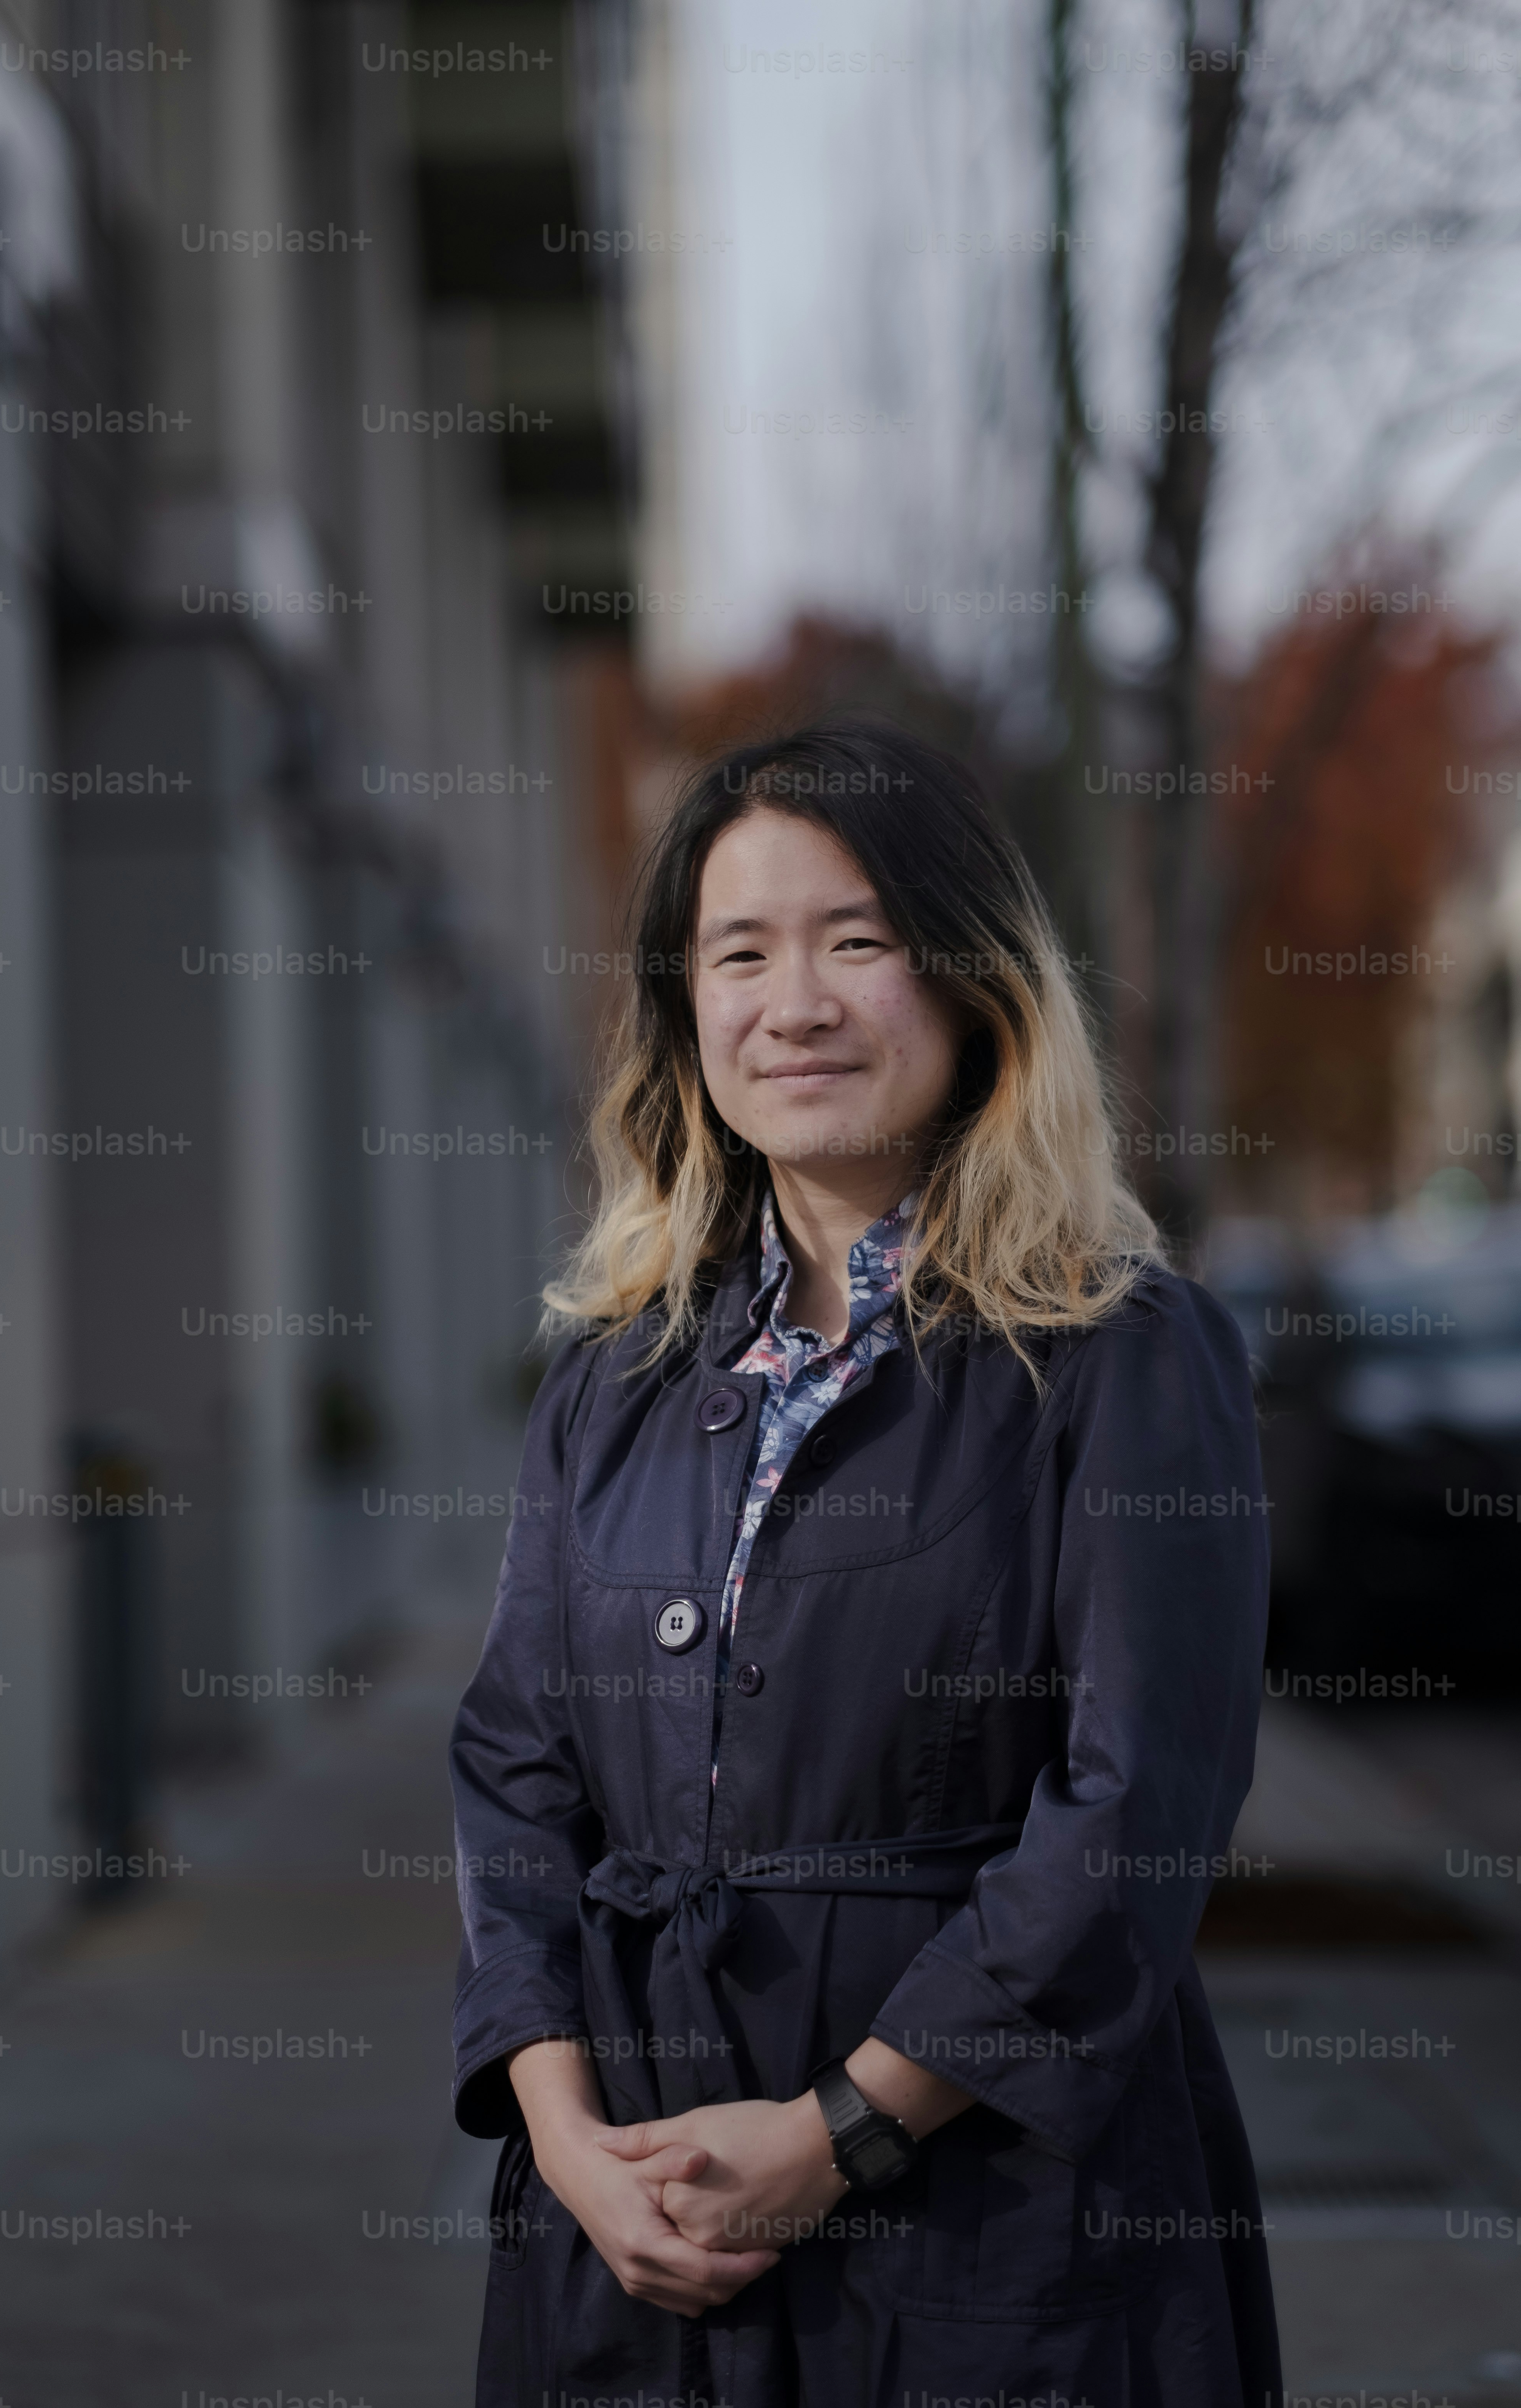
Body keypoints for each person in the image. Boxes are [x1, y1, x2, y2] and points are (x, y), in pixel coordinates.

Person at [449, 720, 1281, 2406]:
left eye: (857, 941)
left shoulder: (1119, 1354)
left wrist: (841, 2132)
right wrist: (569, 2142)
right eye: (739, 954)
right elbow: (513, 1774)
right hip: (633, 2224)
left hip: (996, 2223)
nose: (797, 1004)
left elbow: (1132, 1808)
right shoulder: (613, 1375)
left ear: (976, 986)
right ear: (685, 1011)